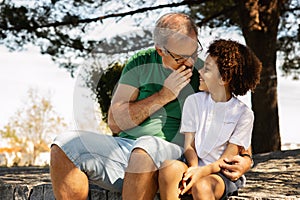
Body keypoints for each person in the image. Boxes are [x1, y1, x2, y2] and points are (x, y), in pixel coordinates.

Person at [50, 13, 253, 200]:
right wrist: (163, 96)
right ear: (160, 50)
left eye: (194, 52)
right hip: (127, 150)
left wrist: (246, 159)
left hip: (174, 154)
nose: (191, 63)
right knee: (65, 146)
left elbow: (232, 115)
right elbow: (115, 123)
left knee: (145, 148)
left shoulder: (204, 72)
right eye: (181, 57)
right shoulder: (140, 63)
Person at [158, 39, 262, 200]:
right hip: (193, 164)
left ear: (224, 79)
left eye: (207, 69)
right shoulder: (193, 102)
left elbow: (226, 159)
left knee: (203, 187)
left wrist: (201, 173)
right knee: (168, 169)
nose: (200, 72)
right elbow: (189, 146)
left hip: (221, 173)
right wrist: (193, 168)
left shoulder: (243, 114)